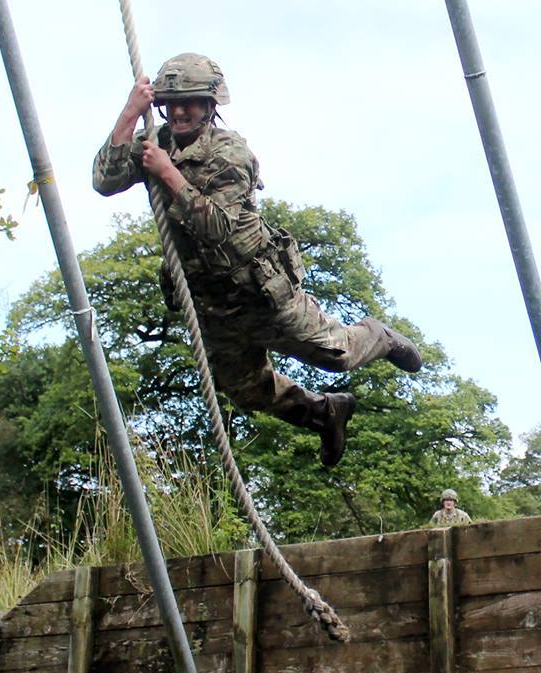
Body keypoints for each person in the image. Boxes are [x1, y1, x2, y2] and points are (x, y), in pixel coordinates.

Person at [93, 53, 423, 466]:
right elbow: (104, 181)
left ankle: (380, 335)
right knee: (246, 389)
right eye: (171, 102)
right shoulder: (155, 143)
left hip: (259, 290)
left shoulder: (229, 153)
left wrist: (167, 174)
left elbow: (218, 230)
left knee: (336, 354)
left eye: (190, 101)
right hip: (211, 302)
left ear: (210, 106)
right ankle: (324, 413)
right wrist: (130, 113)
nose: (179, 111)